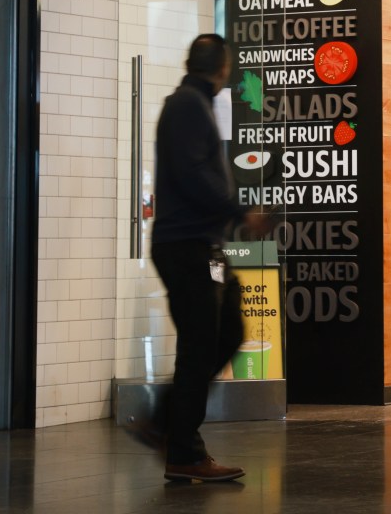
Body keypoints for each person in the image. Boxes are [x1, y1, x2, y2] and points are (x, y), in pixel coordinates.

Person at [128, 33, 269, 482]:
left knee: (226, 332)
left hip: (202, 245)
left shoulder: (195, 103)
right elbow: (192, 176)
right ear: (223, 68)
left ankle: (166, 426)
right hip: (187, 246)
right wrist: (239, 211)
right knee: (201, 346)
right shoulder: (188, 104)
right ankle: (182, 448)